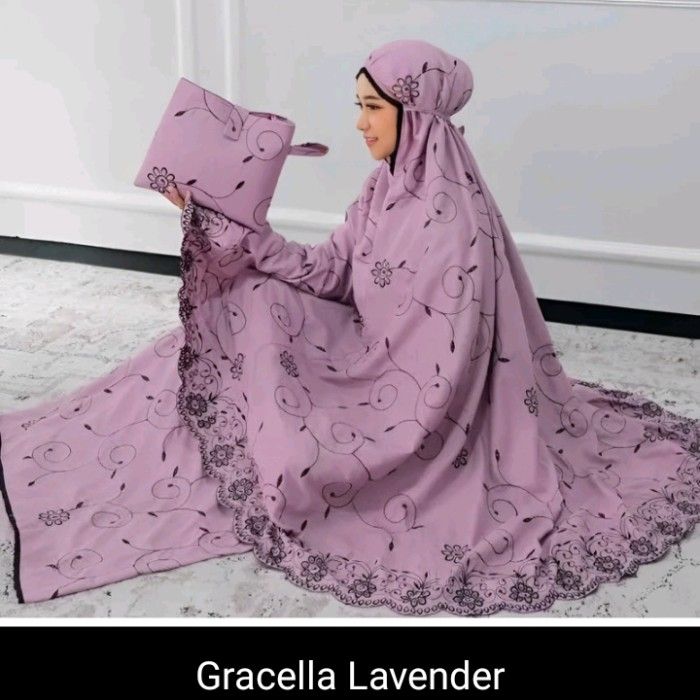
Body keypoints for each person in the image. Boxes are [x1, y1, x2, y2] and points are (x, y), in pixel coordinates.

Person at [1, 39, 698, 616]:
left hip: (396, 398)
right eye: (358, 106)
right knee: (251, 301)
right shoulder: (385, 184)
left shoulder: (454, 223)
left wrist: (343, 395)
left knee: (282, 412)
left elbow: (437, 378)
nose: (360, 124)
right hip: (362, 351)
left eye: (373, 108)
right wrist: (217, 218)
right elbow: (331, 271)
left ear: (414, 115)